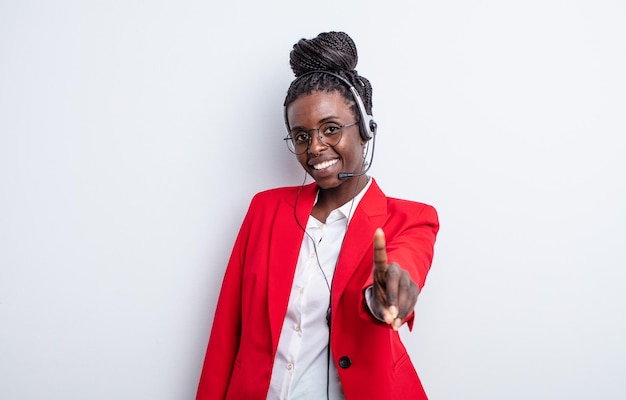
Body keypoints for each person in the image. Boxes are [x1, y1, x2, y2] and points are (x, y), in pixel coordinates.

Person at [196, 31, 439, 400]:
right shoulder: (265, 210)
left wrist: (385, 295)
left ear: (365, 129)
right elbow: (226, 330)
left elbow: (403, 268)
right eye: (301, 136)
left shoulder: (410, 218)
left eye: (330, 129)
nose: (315, 148)